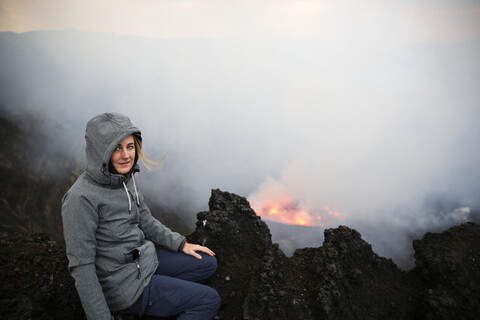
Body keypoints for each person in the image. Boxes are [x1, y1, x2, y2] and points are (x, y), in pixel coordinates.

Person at [62, 112, 220, 320]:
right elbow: (82, 267)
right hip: (124, 286)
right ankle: (141, 306)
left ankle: (162, 301)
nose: (126, 155)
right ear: (100, 150)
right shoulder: (80, 198)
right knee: (209, 300)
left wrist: (181, 244)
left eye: (129, 146)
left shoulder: (124, 178)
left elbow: (145, 219)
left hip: (143, 261)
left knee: (207, 263)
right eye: (116, 148)